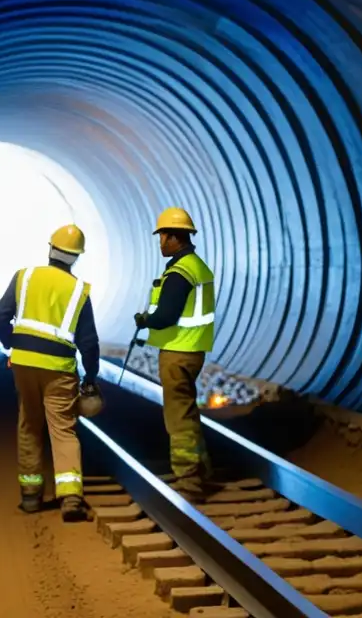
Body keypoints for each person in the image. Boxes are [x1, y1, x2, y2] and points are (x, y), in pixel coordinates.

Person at [0, 224, 101, 522]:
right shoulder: (79, 290)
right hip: (59, 369)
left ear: (50, 248)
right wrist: (91, 377)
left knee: (29, 423)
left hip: (25, 364)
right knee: (63, 429)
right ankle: (70, 498)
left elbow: (0, 316)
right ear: (76, 258)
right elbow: (88, 342)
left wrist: (11, 346)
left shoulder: (25, 276)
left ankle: (30, 497)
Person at [133, 207, 216, 503]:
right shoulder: (199, 266)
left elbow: (167, 315)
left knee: (178, 417)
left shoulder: (180, 272)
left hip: (178, 351)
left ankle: (190, 482)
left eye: (162, 237)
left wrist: (145, 320)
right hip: (194, 350)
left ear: (172, 237)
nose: (160, 243)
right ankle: (202, 470)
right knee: (188, 413)